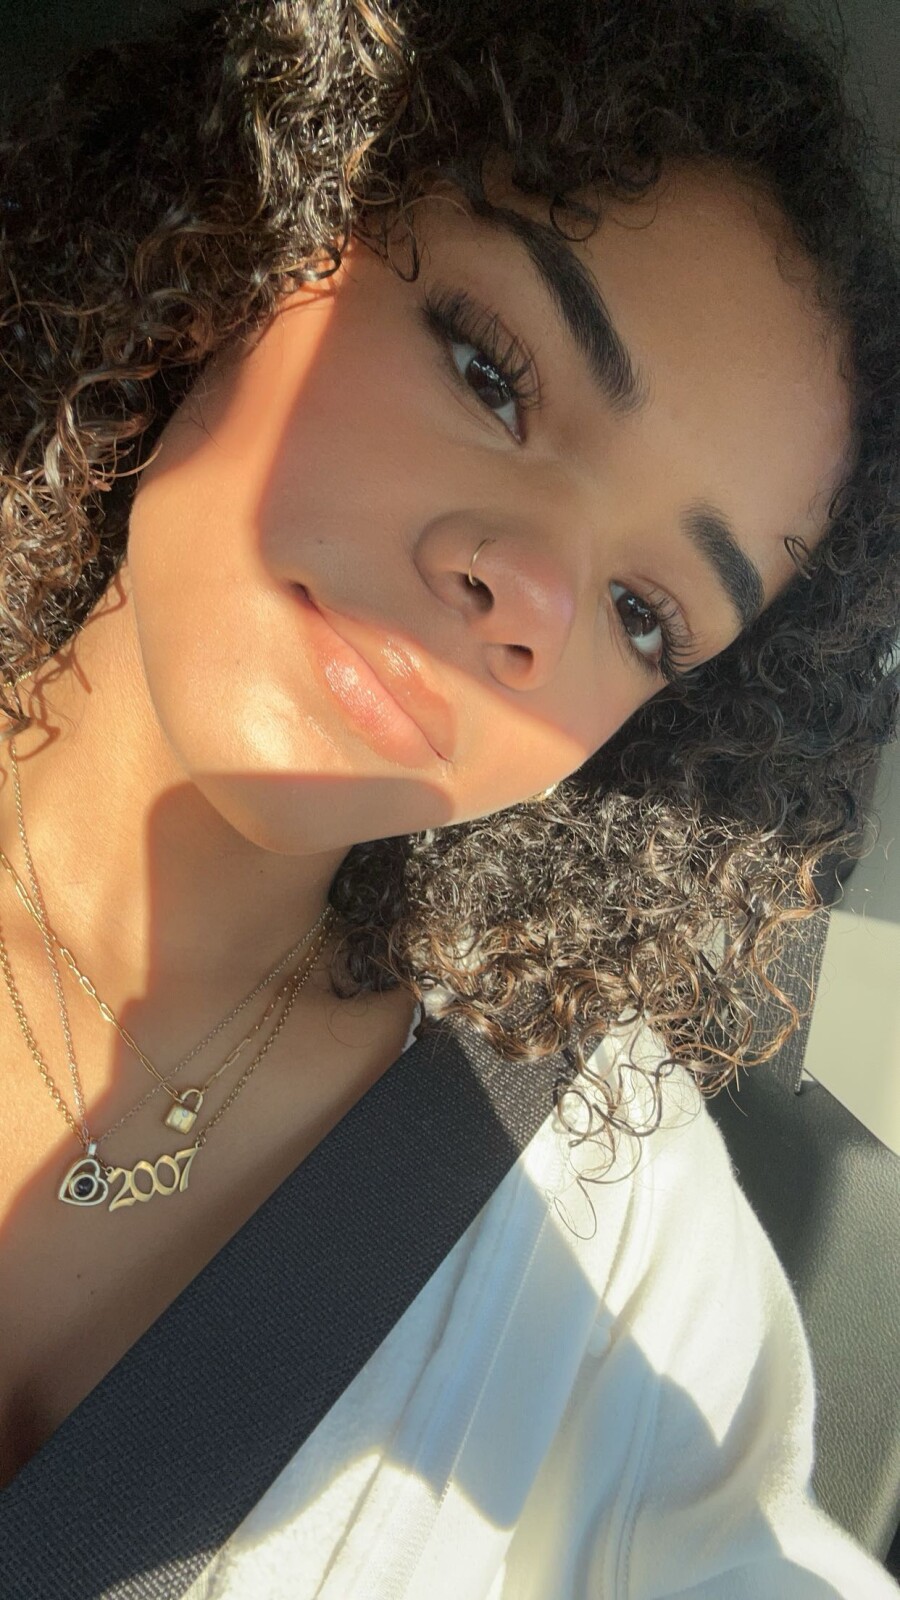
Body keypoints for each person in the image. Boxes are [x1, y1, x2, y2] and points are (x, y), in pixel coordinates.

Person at [0, 0, 898, 1592]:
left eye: (646, 615)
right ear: (245, 249)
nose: (531, 598)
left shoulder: (614, 1231)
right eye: (493, 374)